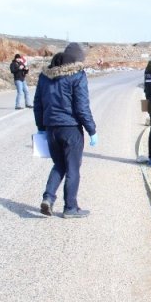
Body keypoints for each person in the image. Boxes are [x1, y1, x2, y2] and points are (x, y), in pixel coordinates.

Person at [34, 42, 98, 219]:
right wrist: (92, 130)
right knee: (73, 168)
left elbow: (38, 104)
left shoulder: (45, 76)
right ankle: (70, 207)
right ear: (77, 59)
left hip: (51, 129)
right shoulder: (77, 75)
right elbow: (82, 107)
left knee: (59, 164)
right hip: (70, 128)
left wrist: (41, 127)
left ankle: (48, 198)